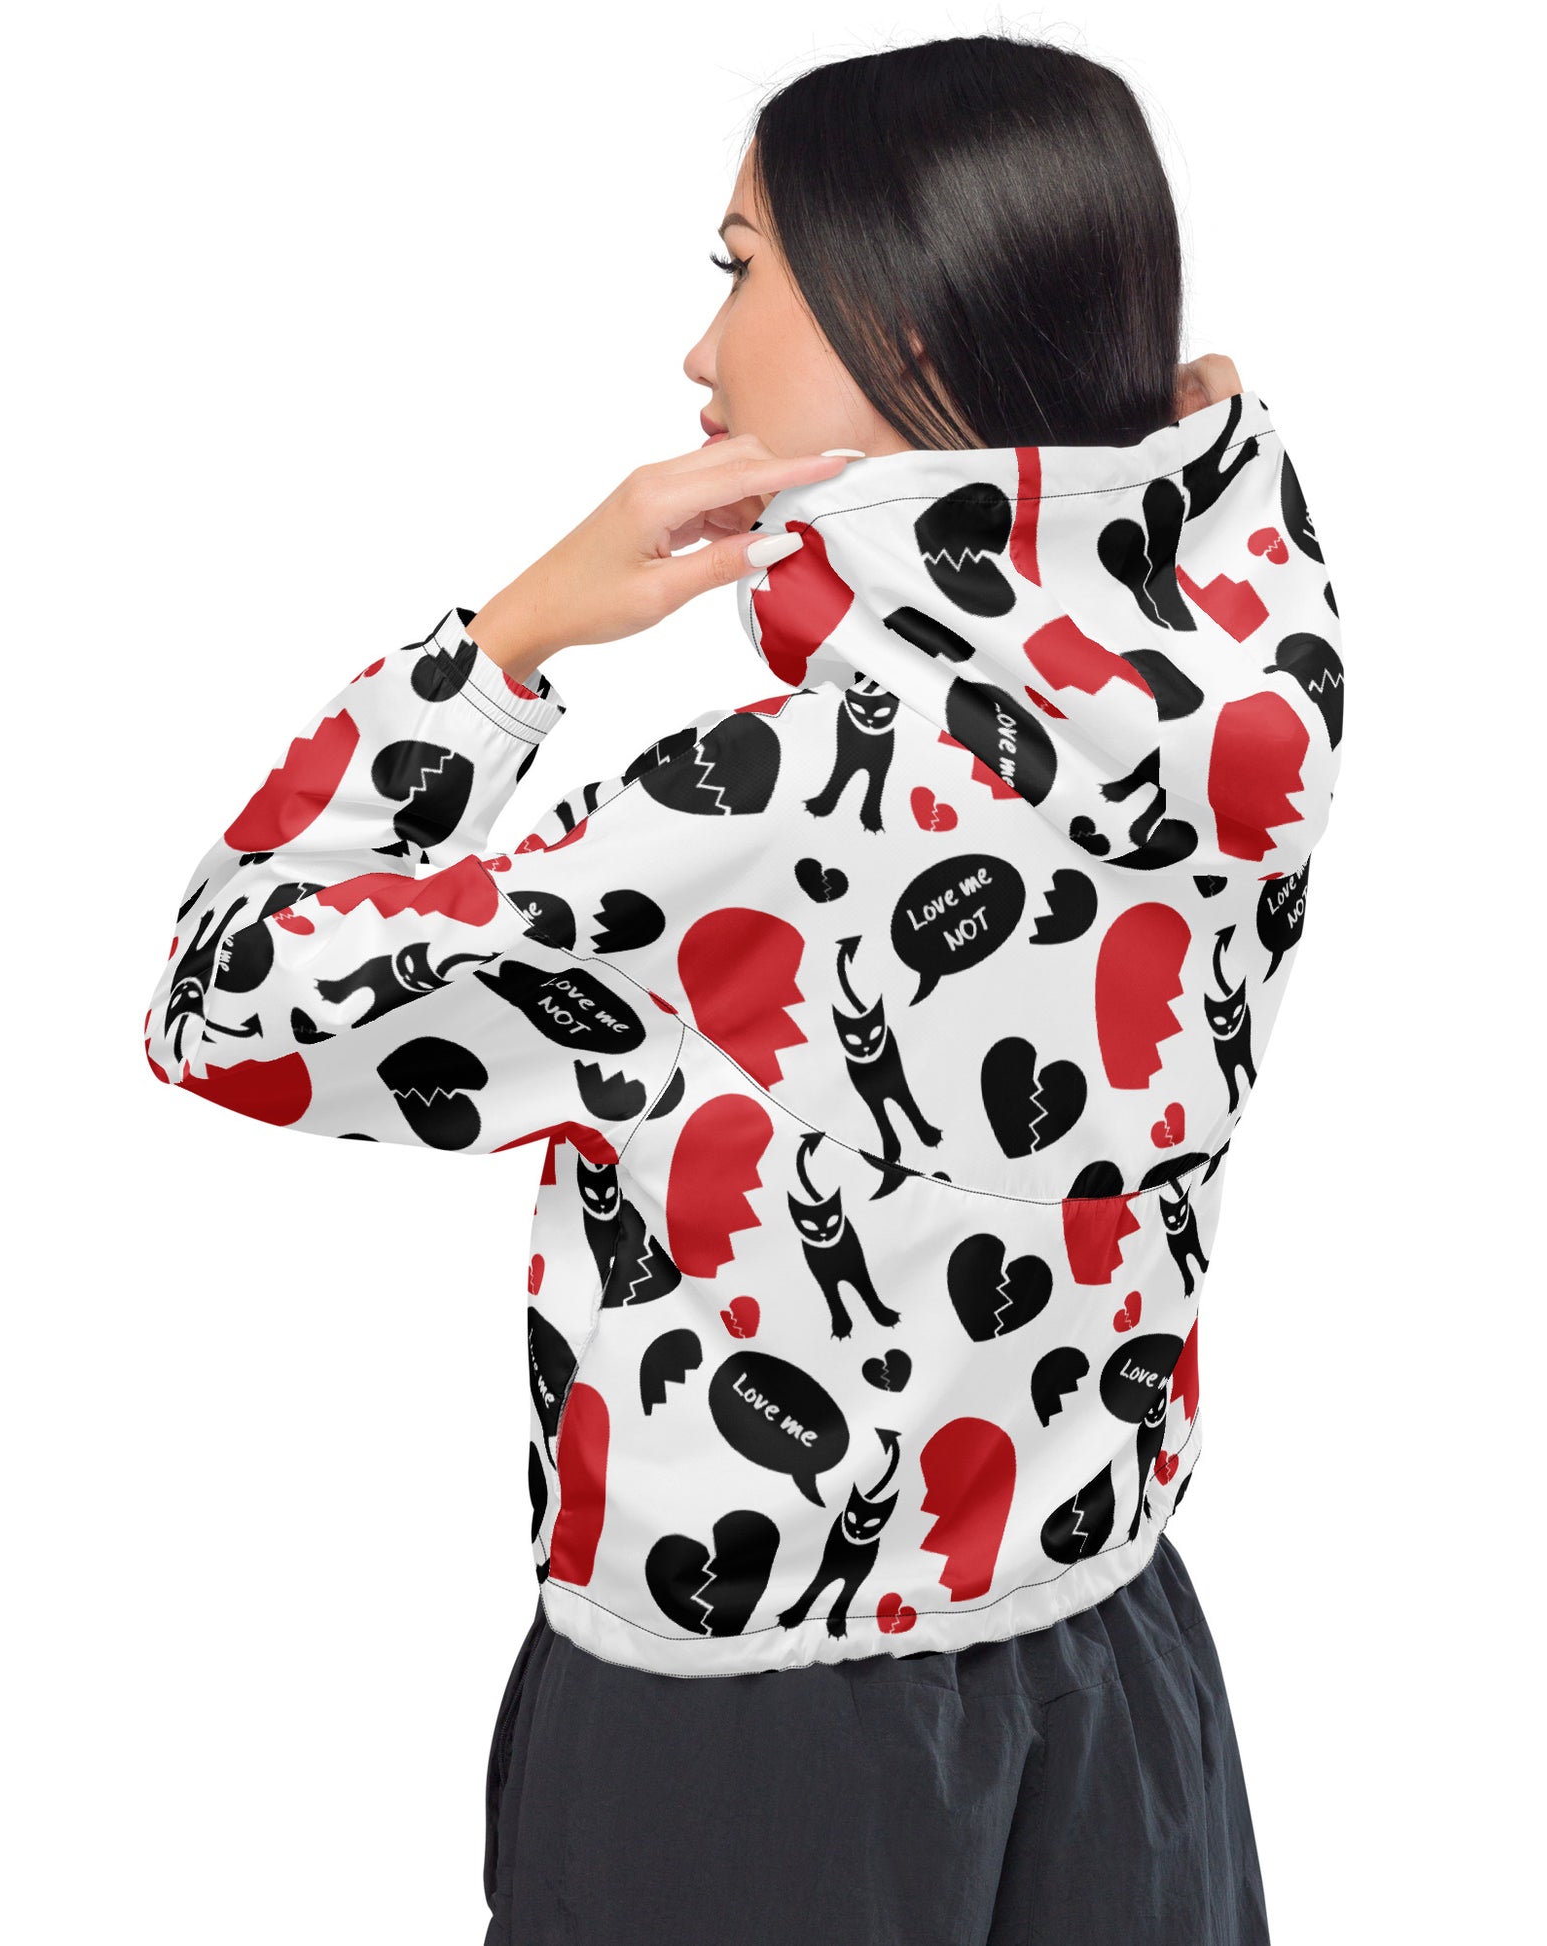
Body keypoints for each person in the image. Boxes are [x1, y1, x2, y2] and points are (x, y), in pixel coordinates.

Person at [142, 33, 1345, 1946]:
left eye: (738, 266)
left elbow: (222, 999)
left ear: (905, 307)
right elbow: (1205, 462)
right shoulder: (1249, 687)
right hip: (1115, 1659)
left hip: (752, 1733)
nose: (698, 352)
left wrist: (514, 632)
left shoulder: (762, 811)